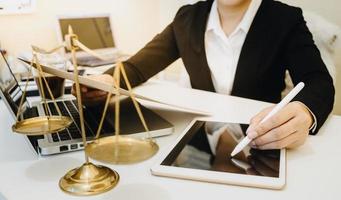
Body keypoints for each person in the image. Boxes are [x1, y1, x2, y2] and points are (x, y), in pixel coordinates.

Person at [73, 0, 335, 151]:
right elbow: (136, 67)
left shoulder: (284, 18)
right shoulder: (187, 17)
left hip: (258, 144)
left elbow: (318, 81)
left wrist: (304, 111)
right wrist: (106, 81)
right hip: (197, 144)